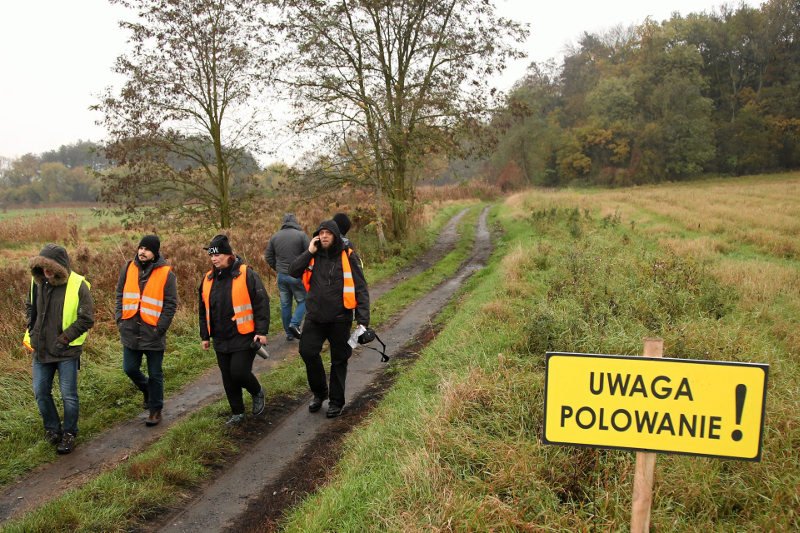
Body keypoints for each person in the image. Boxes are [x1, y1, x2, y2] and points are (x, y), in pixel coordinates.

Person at [289, 219, 370, 418]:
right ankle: (319, 393)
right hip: (315, 318)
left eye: (328, 233)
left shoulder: (348, 256)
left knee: (339, 360)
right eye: (321, 233)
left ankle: (336, 401)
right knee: (307, 352)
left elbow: (361, 288)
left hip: (340, 318)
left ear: (335, 236)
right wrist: (309, 251)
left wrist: (362, 321)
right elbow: (293, 271)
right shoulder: (313, 256)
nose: (324, 236)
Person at [24, 244, 94, 454]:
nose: (45, 271)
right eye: (42, 266)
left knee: (68, 396)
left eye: (50, 266)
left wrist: (64, 339)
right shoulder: (36, 282)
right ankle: (53, 429)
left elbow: (86, 319)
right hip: (41, 349)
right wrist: (32, 327)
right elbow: (30, 306)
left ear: (60, 266)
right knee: (40, 392)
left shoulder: (79, 284)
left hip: (66, 351)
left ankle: (69, 433)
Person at [199, 234, 270, 425]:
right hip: (220, 338)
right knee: (228, 377)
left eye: (218, 255)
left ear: (229, 255)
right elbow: (203, 309)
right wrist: (205, 335)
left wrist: (261, 331)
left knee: (239, 372)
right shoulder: (207, 279)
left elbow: (261, 302)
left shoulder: (246, 273)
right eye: (211, 256)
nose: (214, 259)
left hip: (244, 335)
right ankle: (237, 413)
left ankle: (257, 391)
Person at [115, 235, 178, 426]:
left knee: (155, 373)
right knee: (130, 368)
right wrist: (120, 318)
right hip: (130, 329)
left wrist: (160, 329)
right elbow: (119, 294)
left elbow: (170, 304)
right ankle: (148, 391)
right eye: (140, 248)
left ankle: (155, 410)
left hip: (153, 332)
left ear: (155, 252)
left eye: (147, 249)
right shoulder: (128, 268)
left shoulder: (167, 274)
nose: (142, 252)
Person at [264, 213, 310, 341]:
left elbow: (268, 256)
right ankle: (294, 324)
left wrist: (277, 268)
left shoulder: (275, 237)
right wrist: (304, 269)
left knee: (285, 305)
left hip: (282, 276)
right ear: (295, 222)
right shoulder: (301, 235)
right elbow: (310, 253)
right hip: (297, 276)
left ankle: (289, 334)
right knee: (304, 300)